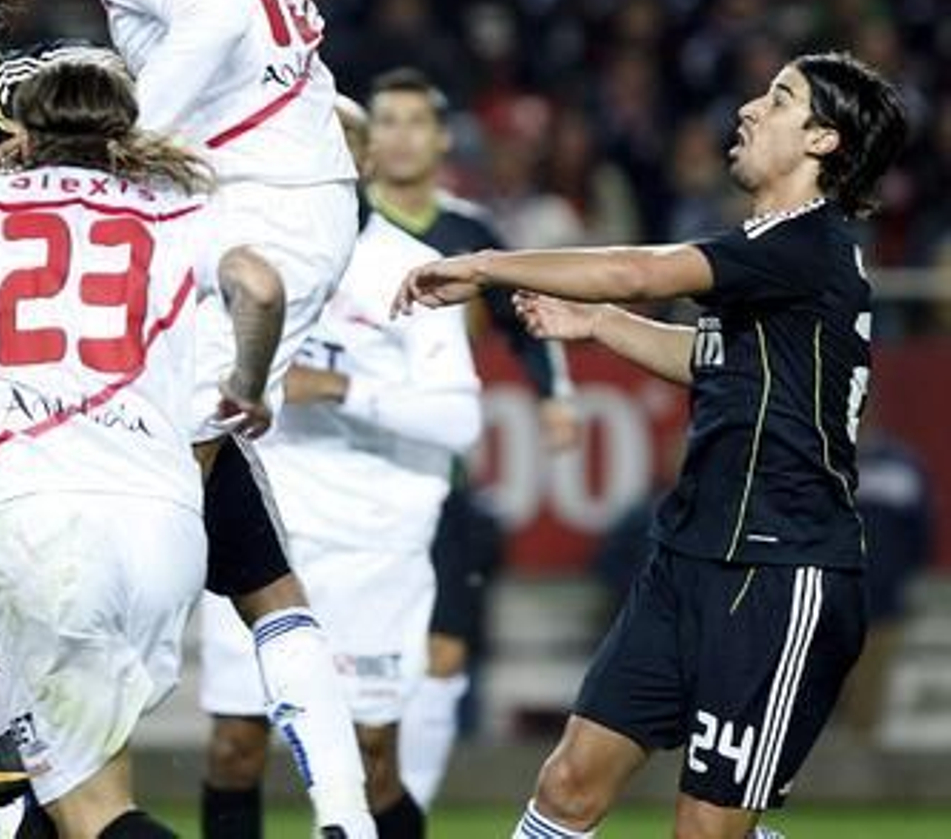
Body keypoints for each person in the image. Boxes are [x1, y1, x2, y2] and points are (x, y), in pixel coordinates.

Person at [392, 52, 908, 839]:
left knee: (706, 829)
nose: (747, 109)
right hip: (688, 553)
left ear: (823, 141)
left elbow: (640, 269)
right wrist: (598, 325)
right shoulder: (776, 255)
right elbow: (713, 360)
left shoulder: (806, 245)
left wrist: (489, 265)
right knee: (568, 783)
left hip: (780, 568)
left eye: (779, 99)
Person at [15, 0, 372, 839]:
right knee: (231, 531)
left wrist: (114, 145)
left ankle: (84, 691)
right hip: (262, 201)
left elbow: (213, 24)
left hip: (267, 212)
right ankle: (342, 816)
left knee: (155, 476)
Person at [0, 56, 287, 839]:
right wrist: (247, 384)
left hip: (45, 524)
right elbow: (259, 286)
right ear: (123, 133)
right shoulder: (179, 209)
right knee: (63, 767)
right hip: (167, 526)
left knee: (86, 801)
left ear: (23, 130)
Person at [198, 79, 486, 837]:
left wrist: (342, 386)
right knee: (234, 747)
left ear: (358, 160)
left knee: (371, 756)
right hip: (263, 538)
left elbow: (461, 419)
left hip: (372, 549)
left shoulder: (412, 269)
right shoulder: (239, 256)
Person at [359, 67, 578, 809]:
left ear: (443, 138)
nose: (400, 135)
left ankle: (404, 812)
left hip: (438, 471)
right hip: (339, 475)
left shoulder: (470, 233)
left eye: (415, 121)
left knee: (444, 653)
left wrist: (556, 398)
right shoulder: (338, 224)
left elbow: (529, 319)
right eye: (386, 120)